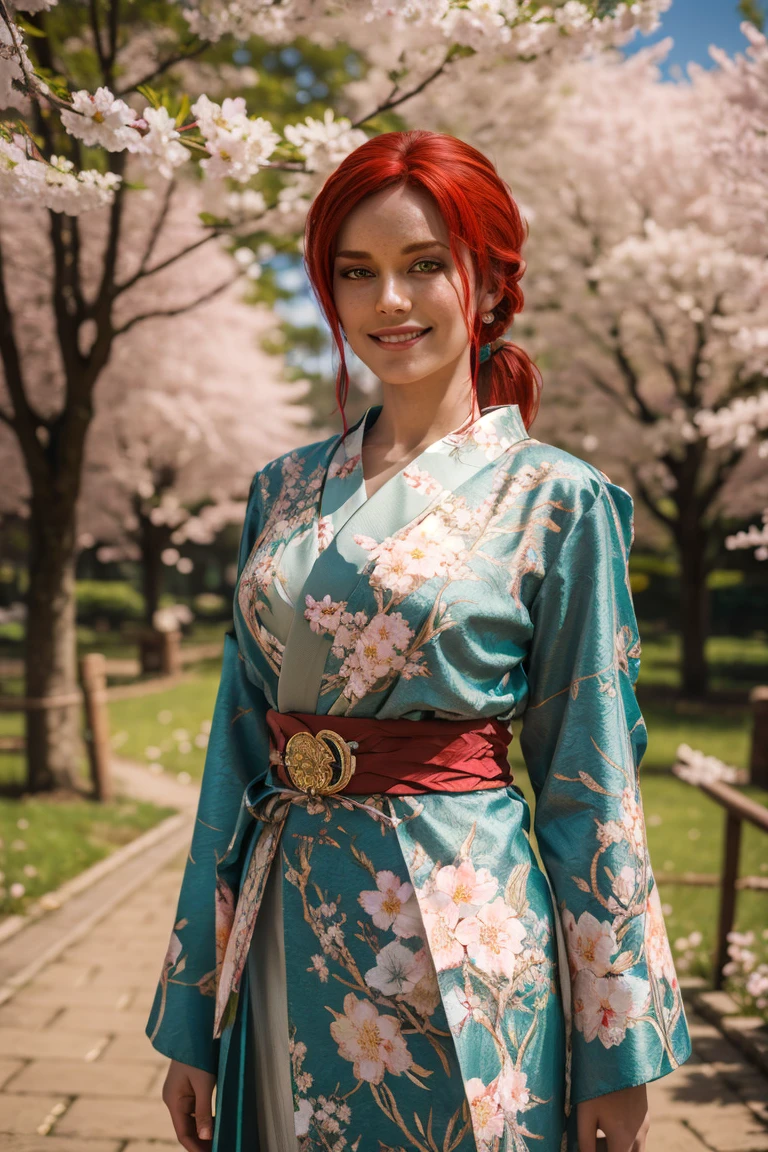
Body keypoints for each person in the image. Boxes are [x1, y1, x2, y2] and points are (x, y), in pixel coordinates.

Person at [147, 129, 691, 1152]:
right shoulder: (285, 488)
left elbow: (591, 781)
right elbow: (234, 752)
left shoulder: (557, 501)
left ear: (486, 281)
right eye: (357, 275)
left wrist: (618, 1050)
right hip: (284, 917)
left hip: (458, 924)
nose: (388, 304)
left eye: (423, 265)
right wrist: (191, 1017)